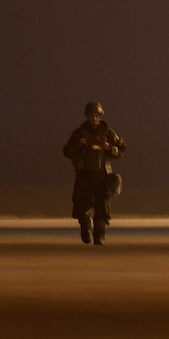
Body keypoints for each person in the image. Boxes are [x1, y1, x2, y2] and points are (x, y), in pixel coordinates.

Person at [62, 101, 125, 245]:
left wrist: (109, 148)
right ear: (87, 117)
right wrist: (78, 145)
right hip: (84, 175)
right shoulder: (79, 133)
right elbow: (67, 151)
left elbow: (122, 149)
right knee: (81, 205)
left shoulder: (108, 133)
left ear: (100, 116)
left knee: (102, 207)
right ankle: (85, 226)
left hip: (102, 175)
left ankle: (100, 236)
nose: (94, 119)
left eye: (97, 116)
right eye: (91, 116)